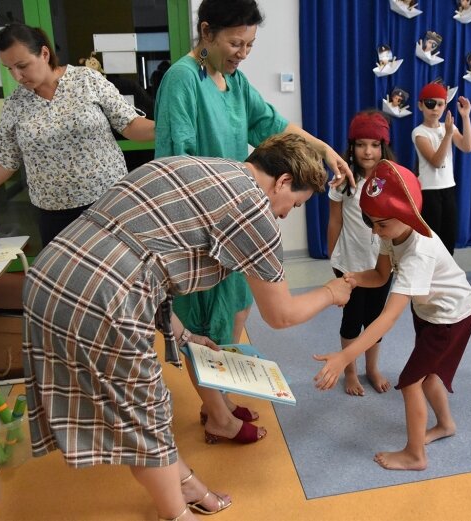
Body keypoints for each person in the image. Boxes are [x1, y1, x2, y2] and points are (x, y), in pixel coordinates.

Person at [22, 134, 353, 520]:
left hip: (51, 273)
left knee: (137, 406)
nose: (286, 213)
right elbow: (281, 315)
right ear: (281, 182)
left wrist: (189, 337)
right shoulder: (253, 209)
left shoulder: (197, 167)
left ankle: (187, 484)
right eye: (294, 204)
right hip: (101, 295)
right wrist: (331, 292)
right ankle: (175, 515)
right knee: (146, 412)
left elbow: (150, 261)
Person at [154, 0, 352, 444]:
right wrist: (331, 292)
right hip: (202, 224)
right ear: (206, 32)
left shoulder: (234, 81)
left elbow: (276, 126)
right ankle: (218, 417)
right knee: (204, 326)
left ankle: (219, 397)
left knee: (235, 312)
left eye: (250, 44)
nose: (243, 52)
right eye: (234, 42)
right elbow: (175, 161)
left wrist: (325, 150)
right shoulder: (182, 80)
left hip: (239, 219)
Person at [314, 160, 471, 471]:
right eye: (371, 222)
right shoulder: (391, 234)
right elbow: (379, 275)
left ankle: (416, 455)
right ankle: (445, 425)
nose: (376, 230)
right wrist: (352, 278)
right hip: (432, 313)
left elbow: (388, 318)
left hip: (451, 317)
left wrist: (344, 356)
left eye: (382, 223)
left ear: (407, 214)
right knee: (427, 376)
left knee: (411, 381)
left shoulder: (419, 252)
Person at [0, 23, 156, 247]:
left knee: (118, 271)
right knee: (64, 278)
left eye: (22, 65)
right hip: (54, 215)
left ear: (45, 54)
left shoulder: (87, 80)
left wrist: (170, 128)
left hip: (108, 203)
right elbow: (4, 162)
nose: (17, 76)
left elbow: (129, 125)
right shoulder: (15, 105)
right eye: (9, 68)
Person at [327, 111, 395, 396]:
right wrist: (334, 263)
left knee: (376, 321)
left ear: (383, 147)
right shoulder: (344, 180)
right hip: (351, 267)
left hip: (382, 267)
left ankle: (372, 368)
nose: (368, 151)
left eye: (374, 144)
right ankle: (351, 371)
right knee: (352, 321)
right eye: (361, 144)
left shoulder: (391, 178)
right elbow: (335, 221)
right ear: (352, 146)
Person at [412, 82, 471, 254]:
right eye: (430, 104)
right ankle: (430, 274)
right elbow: (436, 161)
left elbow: (467, 146)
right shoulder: (419, 132)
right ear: (421, 105)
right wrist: (447, 134)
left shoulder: (449, 127)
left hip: (448, 187)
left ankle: (445, 272)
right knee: (432, 236)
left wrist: (466, 117)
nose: (435, 109)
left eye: (440, 104)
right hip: (429, 190)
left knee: (449, 235)